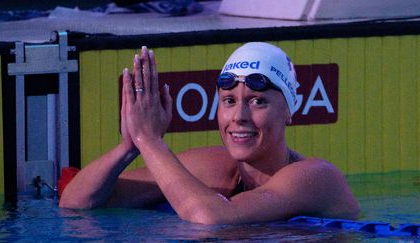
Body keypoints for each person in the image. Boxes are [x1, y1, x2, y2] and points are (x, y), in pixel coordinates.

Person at [59, 42, 359, 224]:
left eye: (258, 101)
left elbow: (212, 219)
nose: (239, 117)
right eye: (229, 101)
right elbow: (76, 202)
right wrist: (130, 144)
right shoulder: (214, 168)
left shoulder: (316, 177)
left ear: (289, 110)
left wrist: (150, 141)